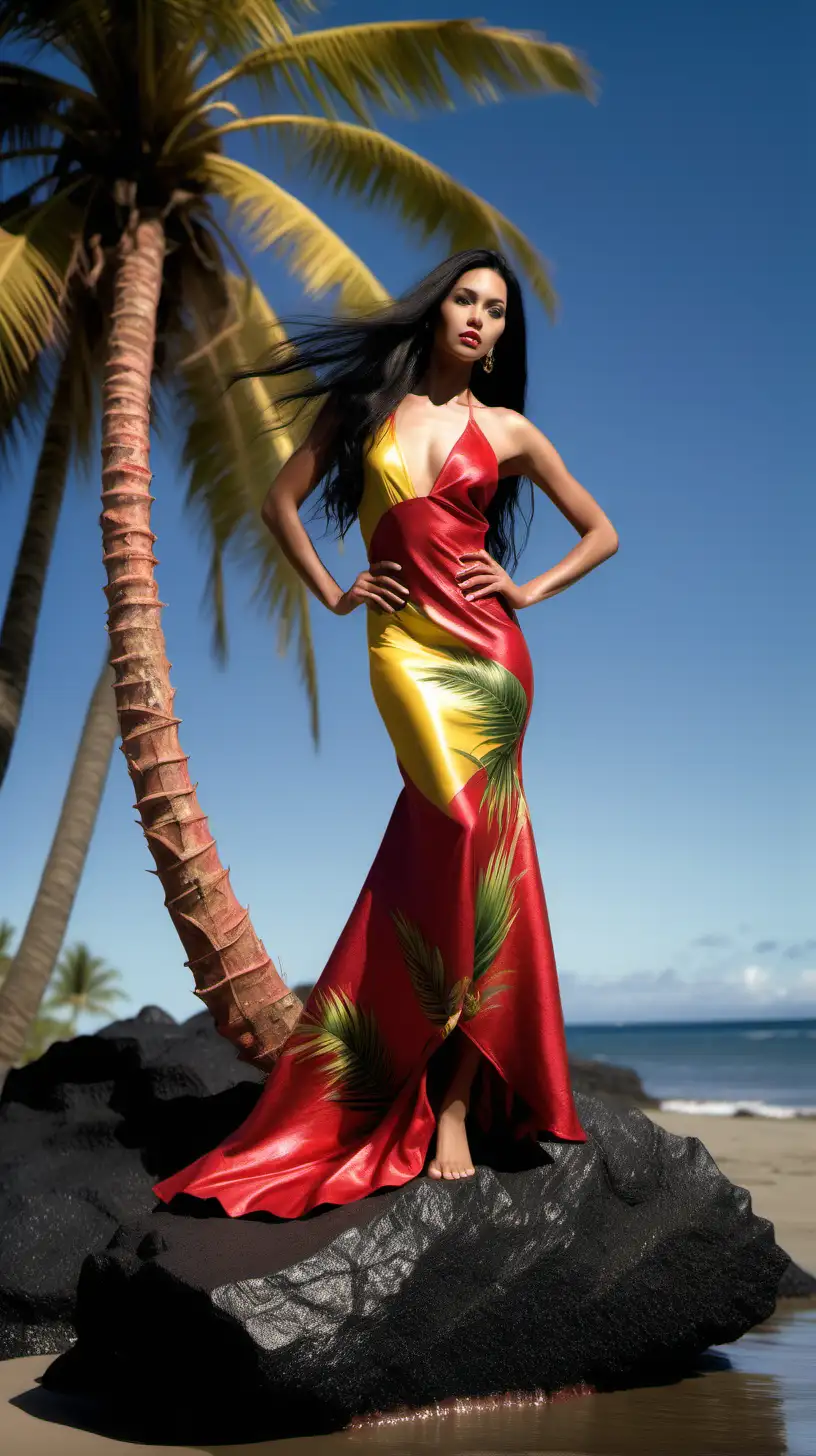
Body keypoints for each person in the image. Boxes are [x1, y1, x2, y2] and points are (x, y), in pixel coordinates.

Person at [153, 248, 619, 1220]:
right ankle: (400, 1074)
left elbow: (601, 529)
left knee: (475, 859)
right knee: (453, 829)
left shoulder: (508, 430)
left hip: (493, 661)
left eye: (496, 312)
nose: (479, 318)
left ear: (499, 340)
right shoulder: (365, 407)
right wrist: (334, 590)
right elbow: (281, 500)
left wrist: (525, 587)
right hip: (404, 654)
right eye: (466, 298)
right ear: (437, 308)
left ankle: (450, 1102)